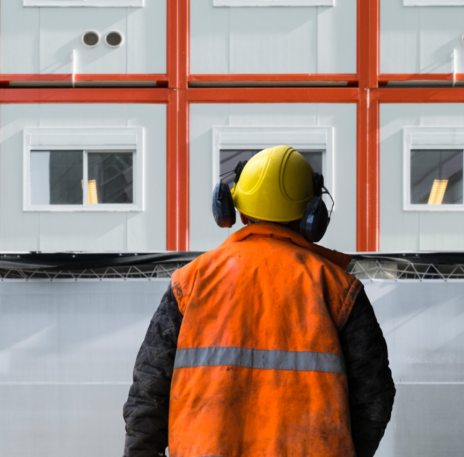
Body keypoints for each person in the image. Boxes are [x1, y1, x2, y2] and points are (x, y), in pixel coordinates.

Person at [123, 145, 395, 457]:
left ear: (234, 210)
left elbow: (148, 392)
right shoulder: (338, 290)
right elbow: (374, 398)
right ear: (313, 215)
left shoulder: (191, 283)